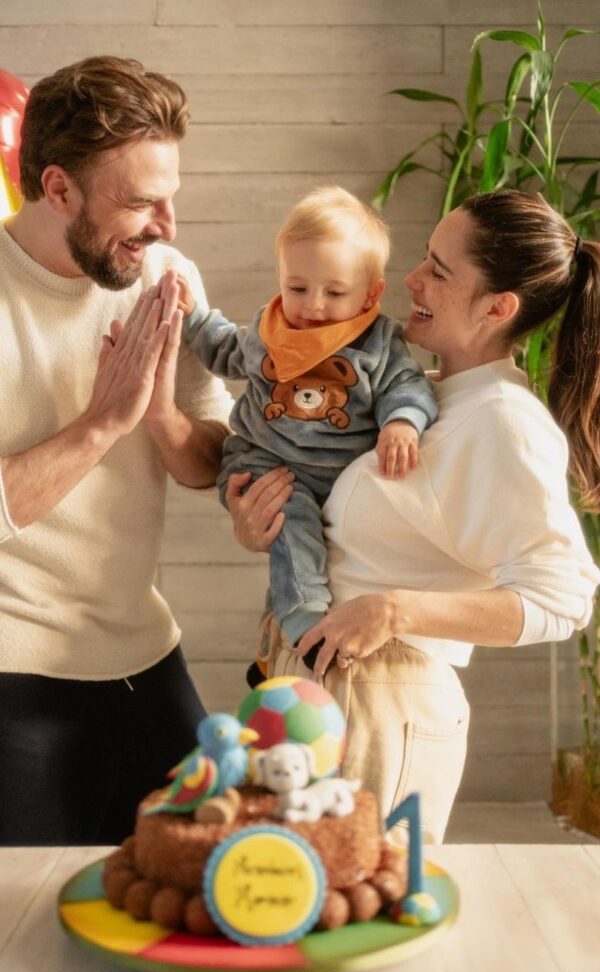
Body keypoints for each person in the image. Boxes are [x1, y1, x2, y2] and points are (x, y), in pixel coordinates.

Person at [226, 189, 600, 845]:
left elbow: (566, 598)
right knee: (281, 913)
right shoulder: (424, 395)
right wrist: (255, 517)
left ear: (498, 307)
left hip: (377, 703)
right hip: (318, 688)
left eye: (438, 269)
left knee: (352, 923)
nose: (411, 279)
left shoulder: (503, 423)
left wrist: (395, 610)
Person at [0, 56, 233, 846]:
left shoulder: (164, 274)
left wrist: (161, 418)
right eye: (139, 202)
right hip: (16, 670)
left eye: (170, 197)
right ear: (58, 187)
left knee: (211, 880)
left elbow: (210, 463)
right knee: (22, 928)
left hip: (144, 653)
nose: (166, 226)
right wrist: (101, 423)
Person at [173, 186, 437, 674]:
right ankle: (302, 623)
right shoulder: (270, 331)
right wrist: (193, 316)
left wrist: (402, 422)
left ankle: (270, 643)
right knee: (291, 527)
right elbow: (225, 351)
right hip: (263, 460)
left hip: (340, 474)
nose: (313, 306)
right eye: (297, 288)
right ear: (281, 278)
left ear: (371, 293)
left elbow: (409, 386)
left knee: (322, 552)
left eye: (335, 292)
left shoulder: (380, 344)